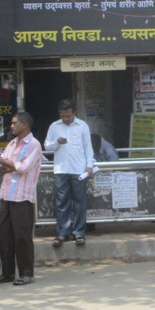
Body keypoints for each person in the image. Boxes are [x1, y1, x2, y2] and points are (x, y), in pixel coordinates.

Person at [0, 112, 43, 286]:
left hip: (22, 197)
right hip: (7, 194)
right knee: (3, 233)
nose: (11, 126)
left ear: (25, 124)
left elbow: (24, 167)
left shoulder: (34, 145)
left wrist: (6, 163)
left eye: (14, 123)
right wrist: (6, 164)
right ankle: (8, 273)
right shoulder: (12, 144)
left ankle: (27, 273)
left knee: (22, 236)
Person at [44, 99, 94, 247]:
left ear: (74, 112)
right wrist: (57, 143)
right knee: (61, 203)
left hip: (79, 169)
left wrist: (89, 166)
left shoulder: (82, 126)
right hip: (61, 169)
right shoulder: (54, 126)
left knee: (79, 202)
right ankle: (62, 233)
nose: (65, 119)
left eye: (68, 116)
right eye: (63, 116)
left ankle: (79, 232)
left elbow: (88, 148)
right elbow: (47, 147)